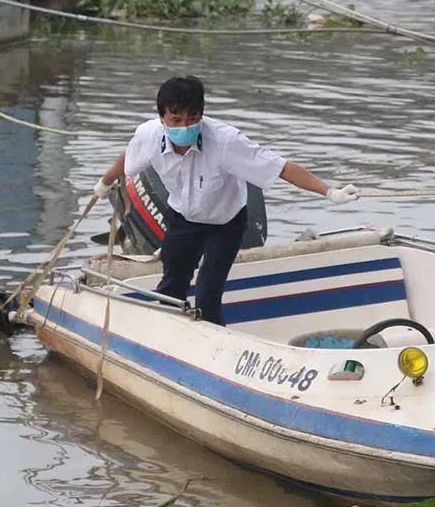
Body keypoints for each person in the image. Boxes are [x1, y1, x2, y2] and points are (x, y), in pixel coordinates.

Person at [94, 75, 359, 326]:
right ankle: (167, 332)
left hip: (225, 222)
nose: (184, 126)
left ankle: (212, 338)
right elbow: (127, 159)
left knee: (209, 291)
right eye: (176, 120)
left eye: (192, 118)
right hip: (183, 218)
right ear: (162, 117)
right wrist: (104, 183)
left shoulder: (226, 142)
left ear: (202, 115)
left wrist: (329, 192)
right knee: (171, 286)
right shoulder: (148, 135)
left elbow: (282, 168)